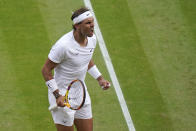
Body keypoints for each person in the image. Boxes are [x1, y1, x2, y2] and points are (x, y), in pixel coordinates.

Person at [41, 7, 110, 131]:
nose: (92, 25)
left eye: (92, 22)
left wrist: (100, 78)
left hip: (81, 94)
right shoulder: (63, 46)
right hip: (62, 94)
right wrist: (57, 95)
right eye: (88, 23)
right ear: (77, 26)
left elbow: (86, 58)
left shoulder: (92, 39)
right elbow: (45, 70)